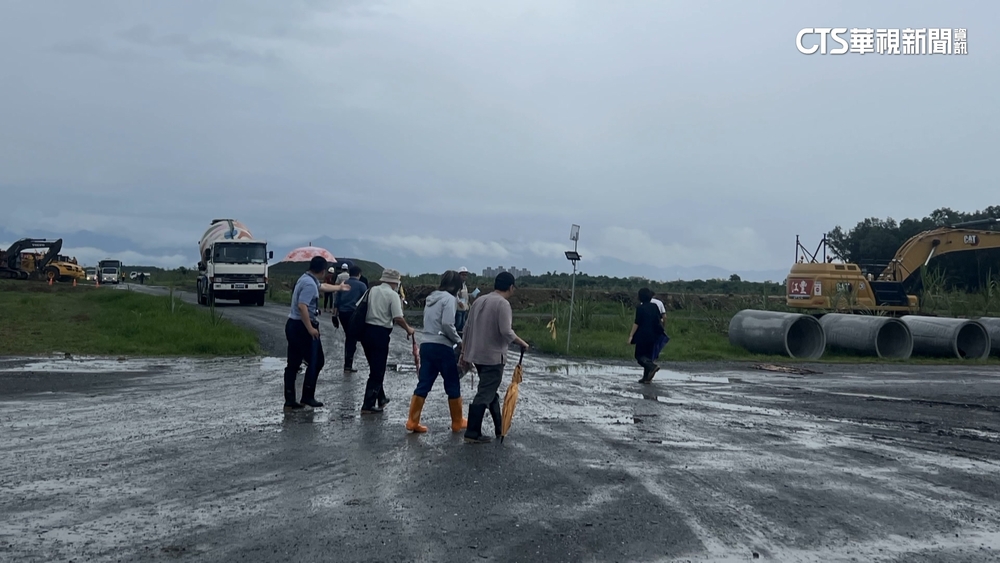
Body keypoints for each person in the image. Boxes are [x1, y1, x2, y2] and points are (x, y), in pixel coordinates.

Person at [459, 271, 529, 444]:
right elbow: (506, 331)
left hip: (477, 354)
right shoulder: (503, 304)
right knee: (485, 392)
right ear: (511, 287)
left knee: (489, 390)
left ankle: (500, 427)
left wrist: (464, 351)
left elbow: (467, 327)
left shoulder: (479, 300)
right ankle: (472, 432)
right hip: (493, 357)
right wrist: (522, 343)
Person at [283, 256, 350, 411]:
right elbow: (302, 306)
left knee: (293, 363)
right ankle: (307, 395)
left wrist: (338, 288)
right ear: (322, 270)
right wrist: (310, 328)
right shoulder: (308, 284)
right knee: (316, 361)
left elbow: (322, 287)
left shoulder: (306, 279)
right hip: (302, 327)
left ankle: (290, 399)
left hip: (293, 324)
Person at [405, 270, 467, 433]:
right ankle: (457, 421)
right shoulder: (449, 299)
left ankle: (412, 421)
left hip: (427, 345)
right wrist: (459, 341)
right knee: (452, 382)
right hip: (442, 346)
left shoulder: (432, 298)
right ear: (455, 286)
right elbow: (447, 324)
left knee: (424, 383)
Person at [359, 268, 415, 414]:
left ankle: (381, 397)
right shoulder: (392, 295)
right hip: (380, 333)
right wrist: (408, 329)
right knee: (378, 371)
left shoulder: (371, 290)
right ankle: (368, 405)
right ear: (396, 282)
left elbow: (358, 306)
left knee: (374, 366)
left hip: (365, 332)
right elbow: (398, 317)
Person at [628, 288, 666, 384]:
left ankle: (652, 367)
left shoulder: (640, 308)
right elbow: (660, 319)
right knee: (648, 357)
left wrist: (631, 336)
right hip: (654, 335)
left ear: (640, 297)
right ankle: (646, 378)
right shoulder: (655, 306)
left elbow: (637, 323)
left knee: (639, 356)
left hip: (643, 335)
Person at [335, 265, 367, 373]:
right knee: (351, 338)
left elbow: (337, 300)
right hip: (354, 314)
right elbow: (365, 301)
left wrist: (334, 315)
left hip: (342, 314)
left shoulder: (343, 284)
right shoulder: (361, 285)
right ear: (359, 274)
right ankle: (348, 365)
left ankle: (348, 364)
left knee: (349, 336)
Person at [455, 266, 470, 335]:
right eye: (462, 275)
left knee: (462, 325)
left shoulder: (464, 285)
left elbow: (465, 296)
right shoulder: (456, 284)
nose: (464, 276)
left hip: (464, 308)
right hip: (458, 308)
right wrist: (459, 302)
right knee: (457, 324)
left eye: (465, 275)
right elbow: (455, 294)